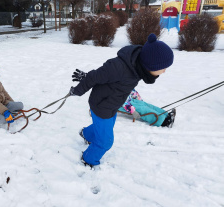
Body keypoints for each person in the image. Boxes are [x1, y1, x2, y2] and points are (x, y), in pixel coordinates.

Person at [69, 33, 174, 168]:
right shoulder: (120, 67)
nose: (164, 71)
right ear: (151, 65)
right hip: (102, 106)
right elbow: (96, 76)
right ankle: (88, 159)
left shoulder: (137, 67)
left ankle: (86, 134)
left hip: (111, 104)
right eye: (163, 68)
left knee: (104, 127)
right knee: (105, 142)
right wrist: (78, 90)